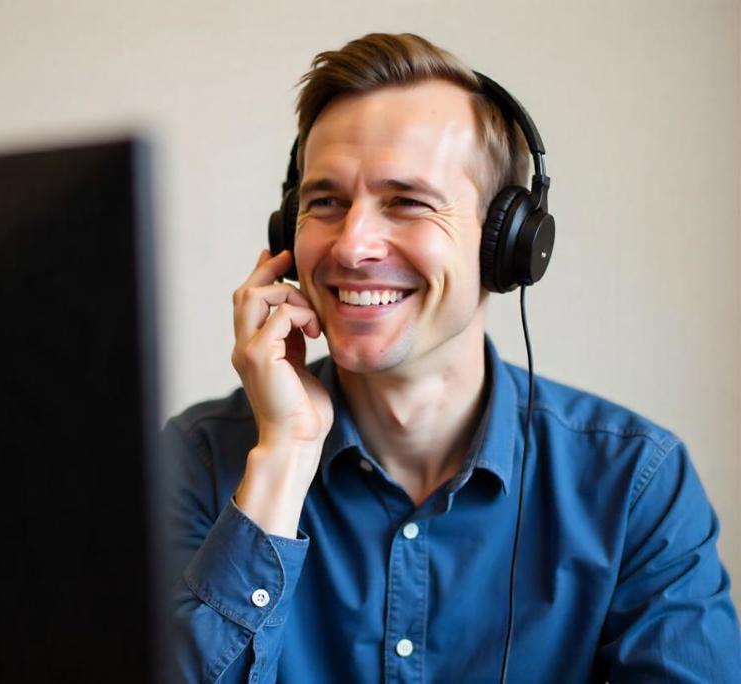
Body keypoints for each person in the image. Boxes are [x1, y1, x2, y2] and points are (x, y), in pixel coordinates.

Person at [161, 33, 741, 683]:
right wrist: (286, 456)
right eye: (325, 202)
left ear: (509, 243)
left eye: (407, 202)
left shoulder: (635, 484)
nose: (352, 245)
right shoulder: (199, 461)